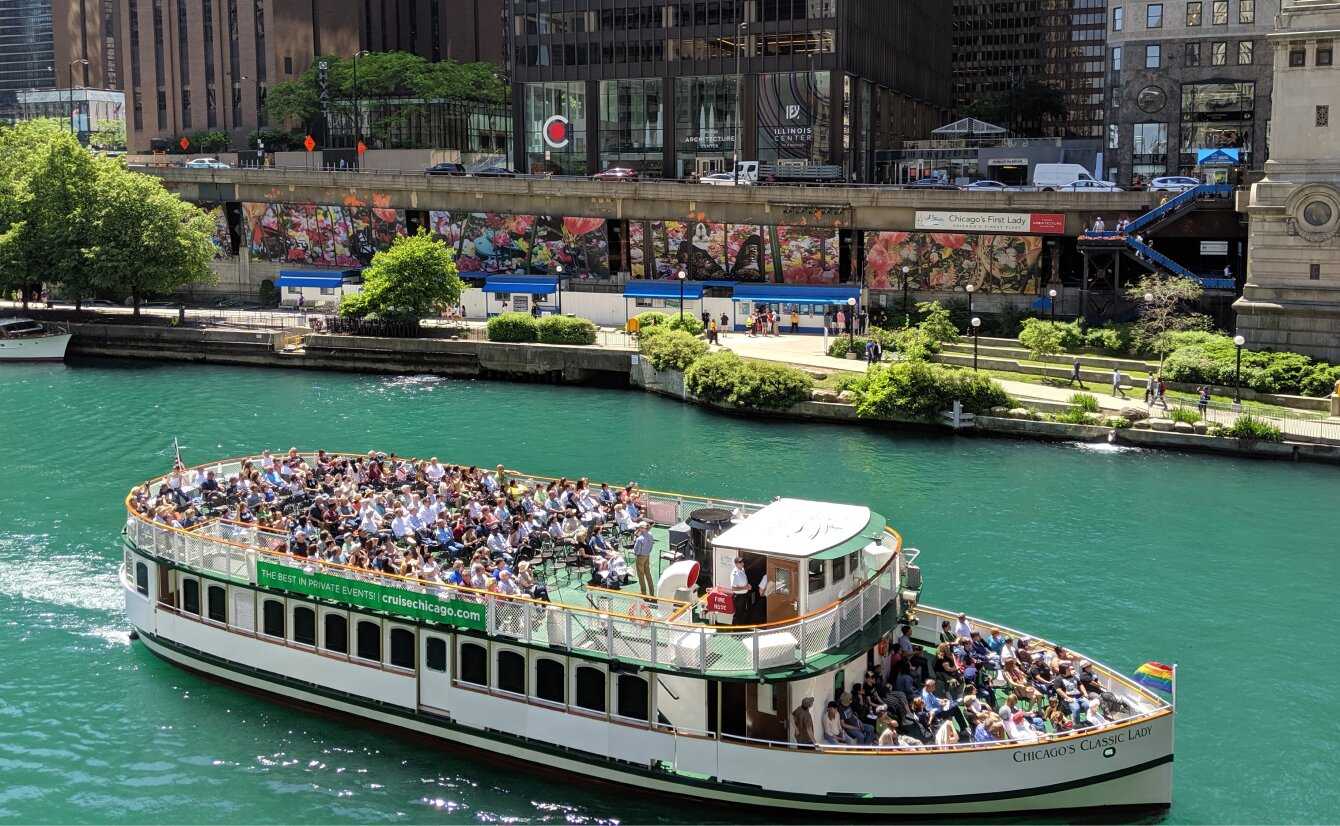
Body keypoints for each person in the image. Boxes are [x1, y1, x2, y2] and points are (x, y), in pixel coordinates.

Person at [632, 522, 654, 596]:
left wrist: (637, 554)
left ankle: (644, 594)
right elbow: (651, 546)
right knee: (648, 574)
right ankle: (652, 593)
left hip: (640, 557)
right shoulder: (650, 535)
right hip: (647, 556)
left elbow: (636, 550)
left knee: (641, 576)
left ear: (642, 528)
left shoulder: (639, 539)